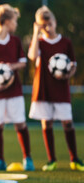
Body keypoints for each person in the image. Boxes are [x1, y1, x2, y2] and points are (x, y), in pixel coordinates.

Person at [0, 4, 34, 171]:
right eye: (15, 21)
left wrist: (10, 67)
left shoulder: (15, 41)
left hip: (14, 89)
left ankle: (27, 158)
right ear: (7, 21)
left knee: (20, 123)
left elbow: (23, 63)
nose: (16, 24)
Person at [27, 6, 82, 171]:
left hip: (61, 88)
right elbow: (31, 56)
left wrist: (67, 75)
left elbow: (73, 65)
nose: (47, 27)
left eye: (49, 23)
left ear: (55, 22)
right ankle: (51, 159)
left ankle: (75, 159)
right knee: (47, 123)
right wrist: (36, 33)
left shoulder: (66, 42)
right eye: (43, 25)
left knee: (67, 122)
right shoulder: (40, 43)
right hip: (43, 88)